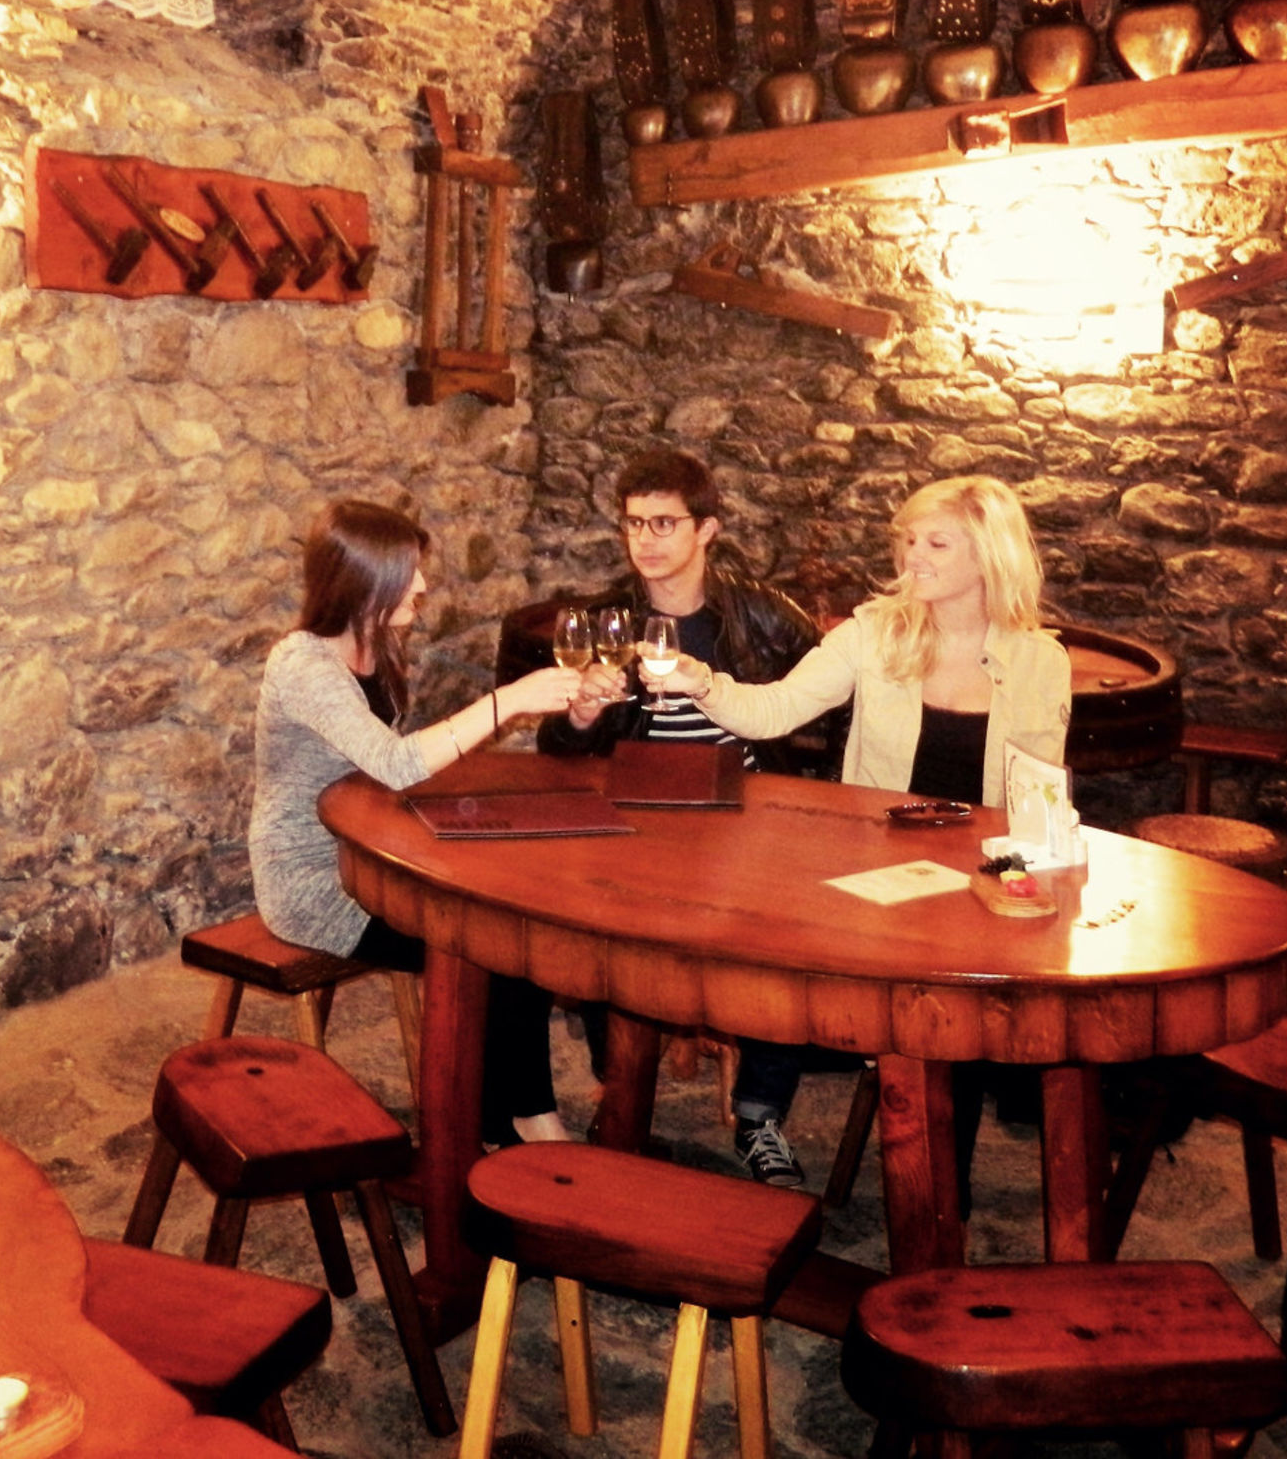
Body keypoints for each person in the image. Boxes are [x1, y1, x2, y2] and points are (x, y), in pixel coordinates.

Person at [657, 473, 1072, 1198]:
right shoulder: (872, 633)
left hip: (974, 880)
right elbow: (773, 710)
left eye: (936, 543)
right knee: (789, 939)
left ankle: (940, 1195)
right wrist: (702, 683)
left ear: (989, 554)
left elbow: (1038, 796)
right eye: (908, 539)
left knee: (967, 1004)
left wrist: (1030, 878)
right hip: (872, 862)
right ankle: (758, 1115)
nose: (913, 555)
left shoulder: (1041, 660)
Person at [496, 446, 845, 1187]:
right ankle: (617, 1083)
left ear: (706, 529)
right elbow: (561, 748)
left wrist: (820, 804)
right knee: (591, 914)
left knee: (783, 936)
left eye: (664, 523)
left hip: (744, 806)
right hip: (638, 808)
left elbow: (830, 705)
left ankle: (759, 1115)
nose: (646, 540)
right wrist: (582, 715)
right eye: (633, 524)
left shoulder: (764, 615)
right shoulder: (608, 619)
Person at [250, 498, 583, 1145]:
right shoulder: (303, 666)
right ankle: (502, 1125)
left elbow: (391, 769)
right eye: (409, 573)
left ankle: (511, 1117)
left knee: (518, 924)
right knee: (494, 945)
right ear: (362, 579)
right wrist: (509, 700)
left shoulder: (374, 643)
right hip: (317, 883)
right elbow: (397, 763)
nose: (423, 585)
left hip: (370, 848)